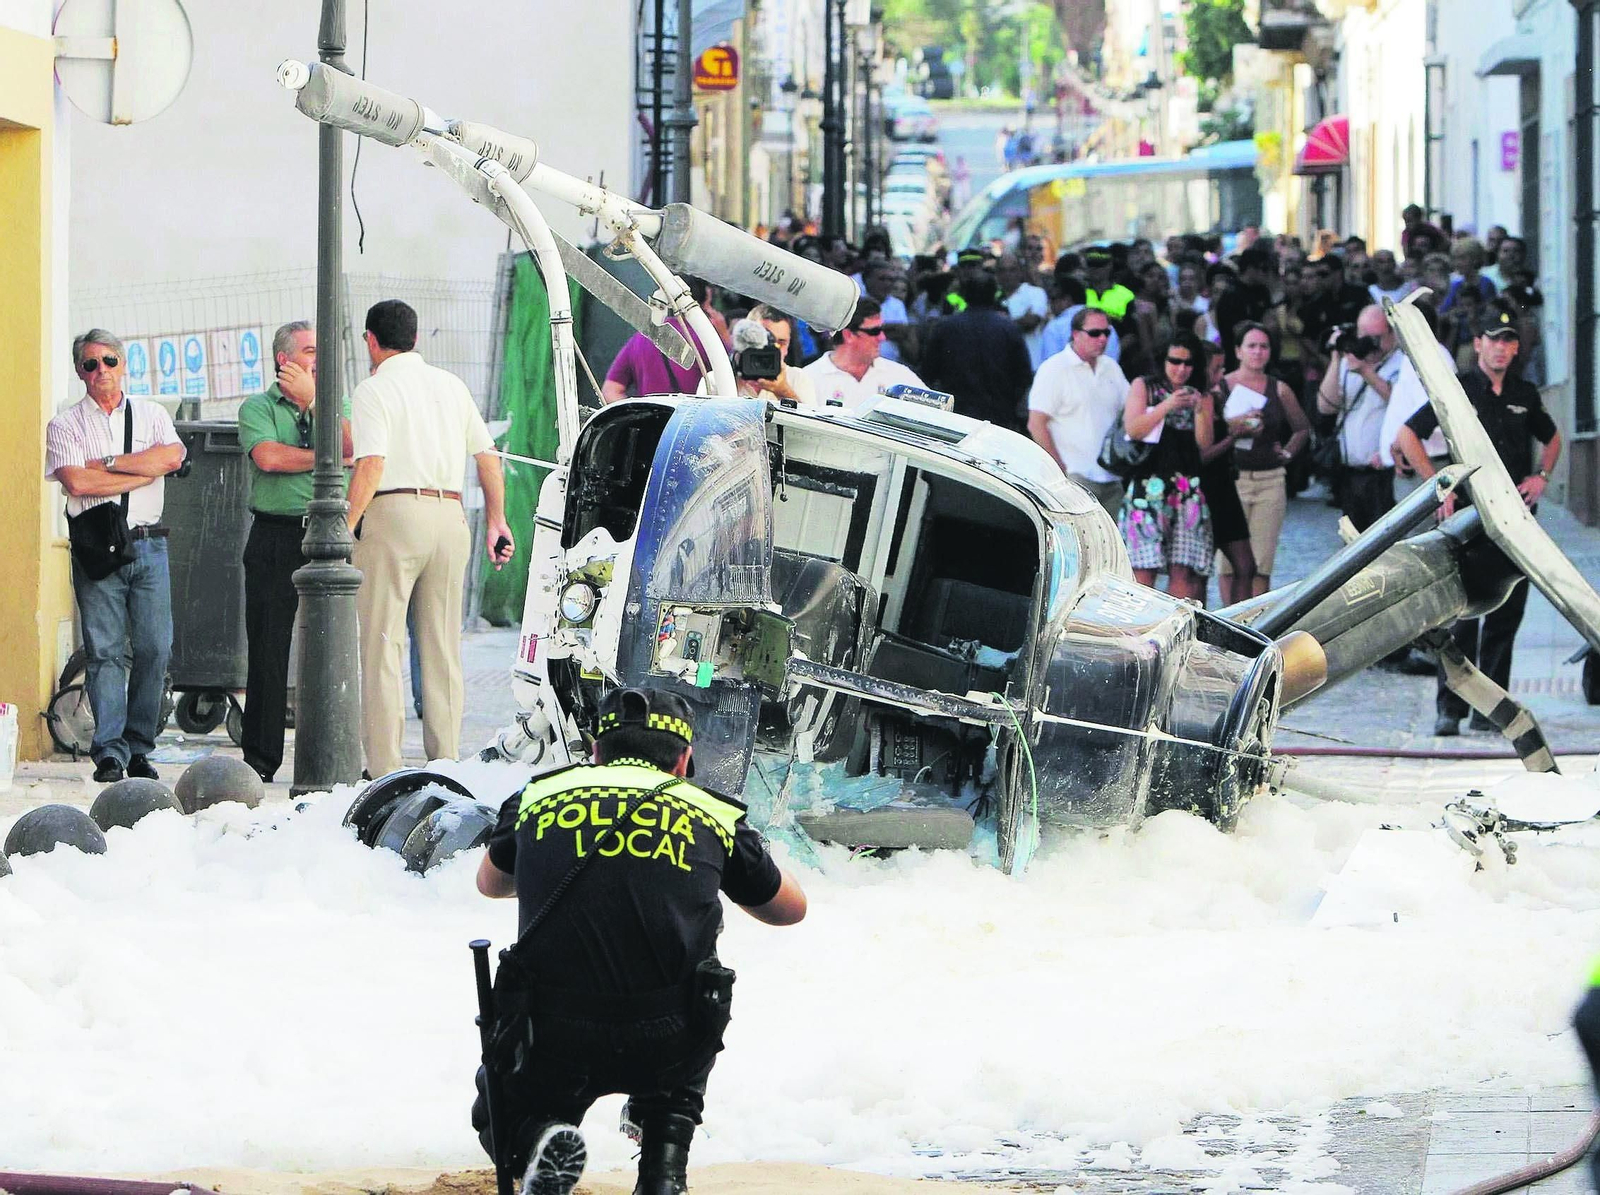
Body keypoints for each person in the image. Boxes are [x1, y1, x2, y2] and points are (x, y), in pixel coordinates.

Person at [473, 686, 806, 1195]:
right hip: (668, 1032)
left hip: (553, 1029)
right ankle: (663, 1171)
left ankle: (539, 1137)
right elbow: (789, 911)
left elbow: (490, 884)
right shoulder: (712, 813)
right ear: (684, 761)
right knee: (697, 1003)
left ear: (595, 752)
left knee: (496, 1102)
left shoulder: (538, 796)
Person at [346, 299, 515, 779]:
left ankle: (385, 769)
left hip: (395, 513)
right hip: (450, 515)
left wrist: (345, 525)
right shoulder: (451, 386)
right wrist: (497, 521)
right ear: (416, 339)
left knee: (382, 645)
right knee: (442, 647)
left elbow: (371, 463)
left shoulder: (374, 389)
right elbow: (487, 458)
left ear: (371, 341)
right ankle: (445, 764)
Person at [1394, 305, 1562, 737]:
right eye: (1493, 339)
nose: (1500, 347)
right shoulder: (1460, 389)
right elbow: (1408, 436)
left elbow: (1553, 436)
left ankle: (1493, 711)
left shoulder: (1525, 393)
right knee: (1461, 613)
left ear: (1515, 347)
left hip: (1515, 520)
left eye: (1508, 340)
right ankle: (1450, 708)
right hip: (1468, 518)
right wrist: (1439, 486)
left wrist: (1540, 477)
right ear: (1478, 345)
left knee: (1506, 616)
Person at [46, 329, 187, 783]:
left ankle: (140, 744)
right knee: (104, 651)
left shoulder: (151, 413)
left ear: (123, 364)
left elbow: (170, 457)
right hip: (96, 546)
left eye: (108, 360)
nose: (101, 370)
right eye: (91, 364)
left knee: (155, 647)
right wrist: (136, 472)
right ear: (79, 371)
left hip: (148, 542)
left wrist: (105, 464)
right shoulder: (65, 425)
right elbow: (77, 484)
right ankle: (109, 750)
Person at [235, 320, 354, 783]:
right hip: (274, 534)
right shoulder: (257, 406)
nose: (317, 360)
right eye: (309, 351)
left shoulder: (334, 404)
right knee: (268, 646)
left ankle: (329, 755)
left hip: (326, 534)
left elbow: (350, 445)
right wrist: (327, 460)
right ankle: (260, 760)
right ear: (284, 360)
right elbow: (268, 457)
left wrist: (314, 402)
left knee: (331, 645)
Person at [1117, 333, 1213, 601]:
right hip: (1148, 488)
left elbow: (1205, 444)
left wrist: (1200, 410)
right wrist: (1167, 405)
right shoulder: (1144, 386)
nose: (1181, 369)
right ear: (1163, 360)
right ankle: (1138, 631)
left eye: (1188, 363)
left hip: (1185, 489)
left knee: (1182, 568)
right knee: (1143, 570)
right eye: (1175, 361)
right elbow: (1134, 429)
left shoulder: (1200, 394)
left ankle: (1175, 628)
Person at [1220, 323, 1310, 596]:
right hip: (1231, 480)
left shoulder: (1279, 388)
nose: (1258, 352)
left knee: (1261, 561)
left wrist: (1287, 453)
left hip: (1270, 480)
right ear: (1238, 351)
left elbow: (1302, 427)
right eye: (1251, 346)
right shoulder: (1221, 386)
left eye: (1263, 346)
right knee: (1227, 562)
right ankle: (1229, 617)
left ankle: (1258, 623)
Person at [1026, 306, 1130, 517]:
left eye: (1106, 332)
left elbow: (1128, 411)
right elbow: (1036, 423)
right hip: (1075, 478)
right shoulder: (1053, 369)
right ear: (1075, 334)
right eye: (1095, 333)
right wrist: (1061, 472)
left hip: (1112, 478)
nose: (1102, 339)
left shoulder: (1111, 367)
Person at [1316, 305, 1405, 533]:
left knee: (1386, 544)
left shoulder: (1402, 363)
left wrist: (1367, 372)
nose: (1369, 344)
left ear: (1392, 334)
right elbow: (1326, 406)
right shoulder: (1350, 361)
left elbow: (1400, 403)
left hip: (1384, 474)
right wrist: (1337, 358)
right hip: (1349, 472)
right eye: (1363, 336)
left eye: (1375, 338)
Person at [920, 271, 1035, 431]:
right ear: (994, 295)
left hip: (957, 416)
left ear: (964, 294)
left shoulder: (945, 327)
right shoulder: (1008, 328)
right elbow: (1024, 376)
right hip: (999, 417)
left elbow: (928, 373)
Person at [1196, 342, 1256, 603]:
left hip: (1224, 486)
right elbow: (1203, 453)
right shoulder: (1199, 399)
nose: (1221, 375)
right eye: (1216, 369)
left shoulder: (1213, 396)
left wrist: (1237, 423)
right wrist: (1234, 436)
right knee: (1199, 571)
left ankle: (1240, 623)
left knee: (1246, 566)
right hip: (1206, 490)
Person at [602, 279, 718, 401]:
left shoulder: (641, 337)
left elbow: (610, 390)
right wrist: (724, 334)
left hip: (652, 417)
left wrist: (639, 415)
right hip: (690, 417)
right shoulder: (705, 340)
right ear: (706, 301)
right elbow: (734, 381)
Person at [801, 299, 926, 410]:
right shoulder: (808, 378)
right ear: (848, 335)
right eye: (875, 331)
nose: (882, 337)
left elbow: (935, 412)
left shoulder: (900, 376)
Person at [727, 306, 816, 405]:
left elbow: (809, 419)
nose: (774, 349)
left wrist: (784, 391)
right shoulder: (719, 377)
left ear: (788, 347)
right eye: (765, 340)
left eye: (781, 343)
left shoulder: (798, 379)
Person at [1041, 273, 1122, 363]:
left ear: (1067, 300)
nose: (1050, 305)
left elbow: (1050, 364)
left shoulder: (1055, 327)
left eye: (1053, 299)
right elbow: (1113, 357)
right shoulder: (1106, 324)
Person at [996, 252, 1050, 368]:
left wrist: (999, 324)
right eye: (1003, 270)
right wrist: (1018, 320)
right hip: (1002, 369)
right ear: (997, 274)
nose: (1007, 274)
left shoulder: (1035, 293)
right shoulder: (992, 297)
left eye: (1012, 270)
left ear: (1020, 272)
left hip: (1031, 364)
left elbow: (1031, 322)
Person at [1083, 248, 1136, 322]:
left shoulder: (1126, 295)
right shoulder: (1080, 293)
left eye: (1100, 265)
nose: (1095, 269)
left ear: (1110, 266)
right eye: (1091, 265)